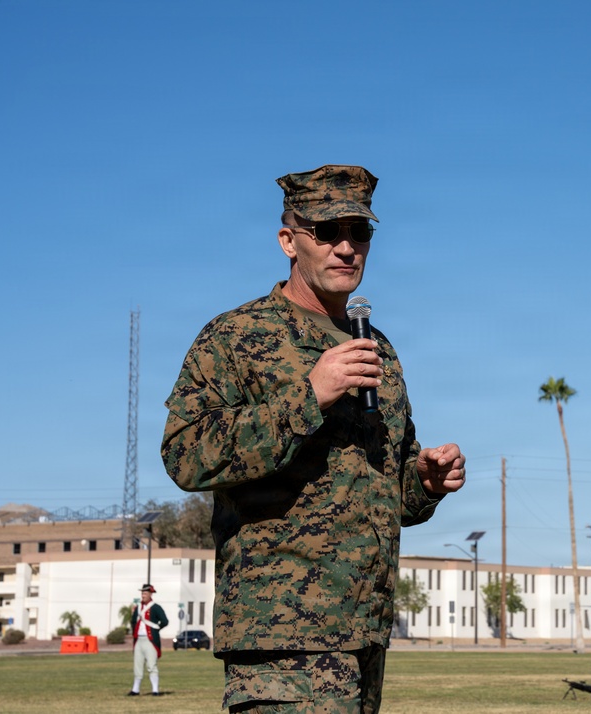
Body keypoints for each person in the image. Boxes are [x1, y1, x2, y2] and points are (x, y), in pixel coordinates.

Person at [161, 164, 466, 713]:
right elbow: (185, 456)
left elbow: (384, 492)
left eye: (360, 232)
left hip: (365, 630)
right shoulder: (235, 336)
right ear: (288, 241)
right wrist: (309, 394)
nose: (346, 247)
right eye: (327, 232)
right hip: (279, 637)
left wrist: (424, 481)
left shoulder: (377, 349)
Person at [129, 583, 168, 697]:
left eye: (145, 593)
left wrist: (155, 629)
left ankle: (155, 690)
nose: (143, 595)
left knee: (151, 665)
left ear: (150, 594)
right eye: (142, 593)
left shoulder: (155, 607)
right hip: (139, 640)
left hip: (150, 640)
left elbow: (164, 621)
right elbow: (133, 621)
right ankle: (135, 689)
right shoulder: (137, 608)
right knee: (137, 665)